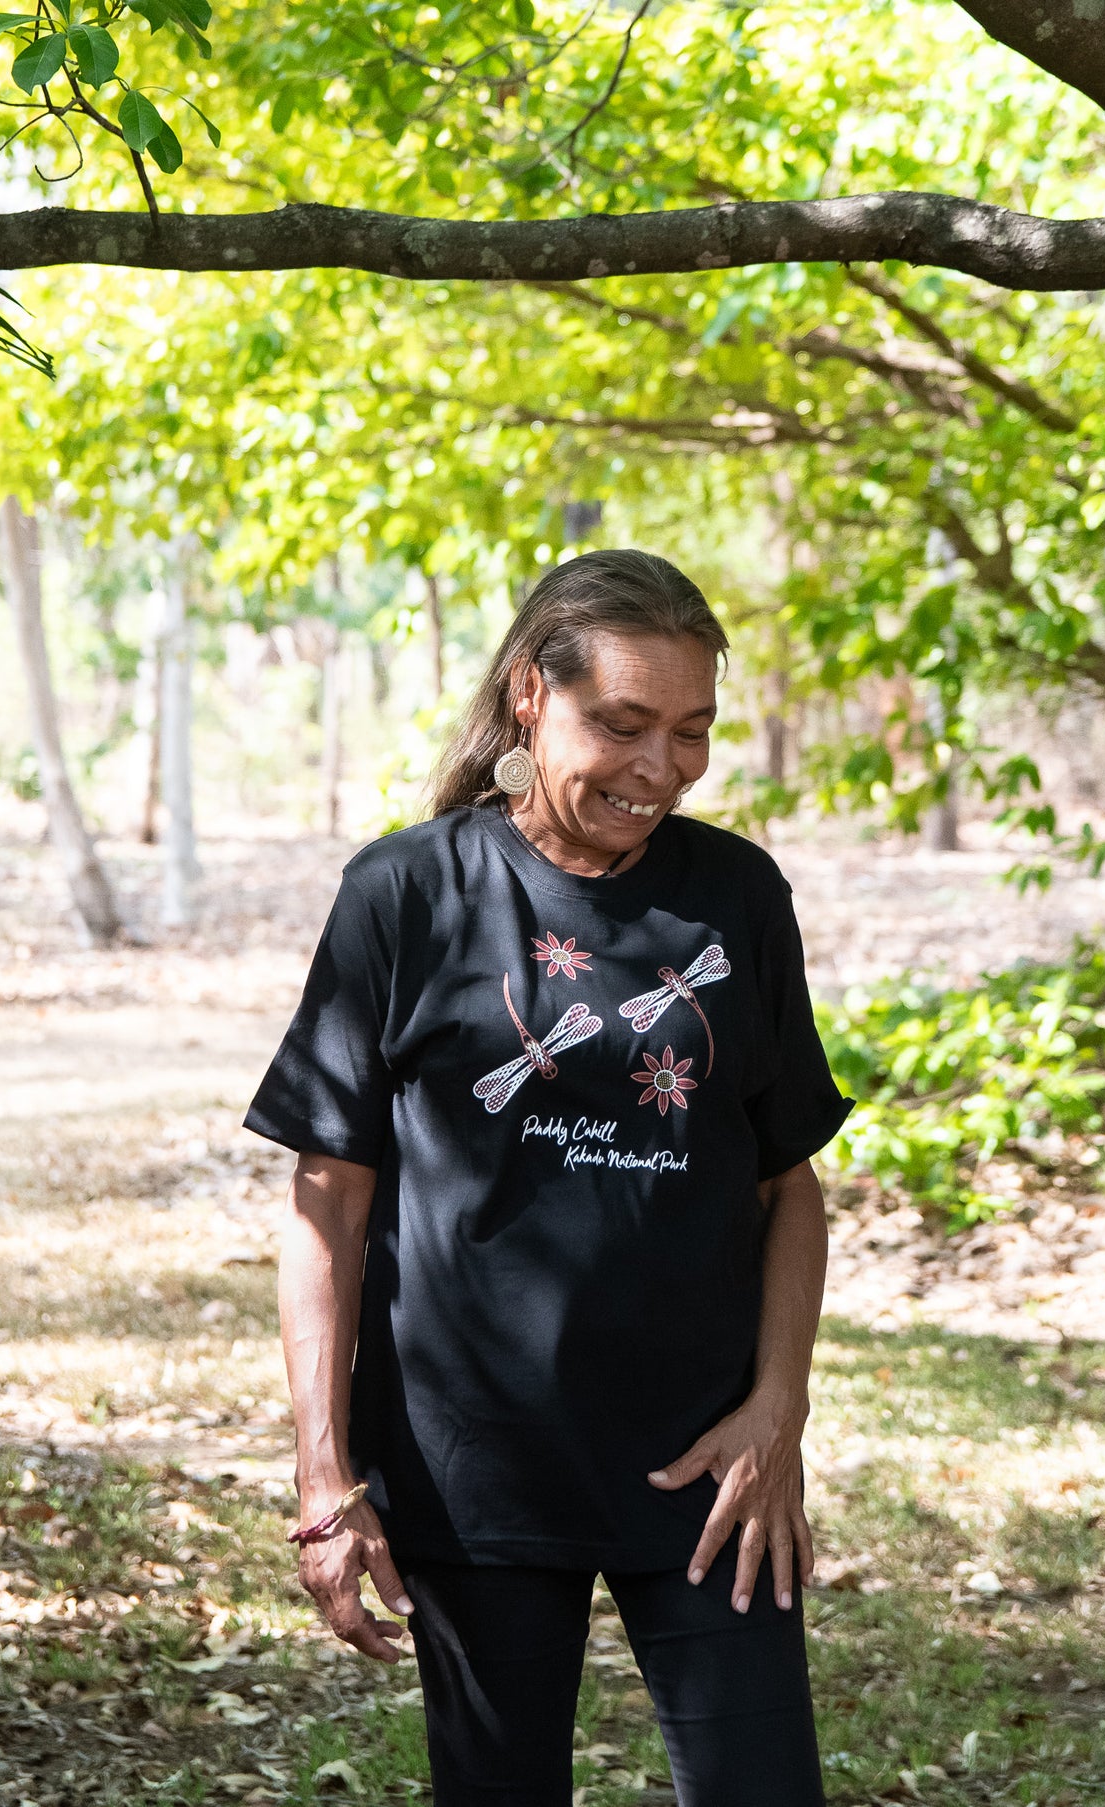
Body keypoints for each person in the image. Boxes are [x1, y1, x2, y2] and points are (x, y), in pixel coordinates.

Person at [246, 549, 851, 1807]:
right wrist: (324, 1479)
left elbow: (785, 1182)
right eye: (622, 725)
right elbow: (328, 1199)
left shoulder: (737, 896)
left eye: (692, 733)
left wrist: (776, 1410)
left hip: (707, 1464)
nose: (659, 769)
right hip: (471, 1463)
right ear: (531, 693)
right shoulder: (405, 891)